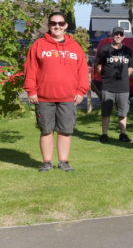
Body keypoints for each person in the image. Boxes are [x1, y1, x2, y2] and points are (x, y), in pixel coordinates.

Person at [23, 12, 89, 172]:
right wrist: (31, 90)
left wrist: (81, 91)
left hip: (68, 97)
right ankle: (46, 162)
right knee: (46, 130)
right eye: (53, 23)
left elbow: (83, 71)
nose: (57, 26)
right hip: (44, 98)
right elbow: (30, 69)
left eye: (60, 23)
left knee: (65, 131)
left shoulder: (75, 47)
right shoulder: (38, 45)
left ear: (66, 25)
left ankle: (63, 161)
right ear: (49, 25)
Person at [95, 27, 133, 143]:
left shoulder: (127, 51)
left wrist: (124, 76)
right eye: (116, 34)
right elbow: (98, 66)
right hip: (107, 87)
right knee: (106, 112)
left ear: (123, 36)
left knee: (123, 113)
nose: (118, 36)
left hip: (123, 88)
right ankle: (104, 135)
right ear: (112, 35)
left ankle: (123, 134)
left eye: (120, 34)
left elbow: (131, 66)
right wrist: (106, 76)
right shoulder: (105, 50)